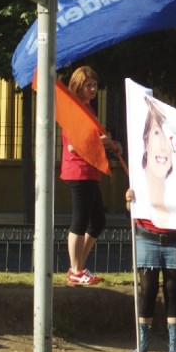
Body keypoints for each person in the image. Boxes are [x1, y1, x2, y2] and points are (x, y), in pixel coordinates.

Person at [60, 67, 120, 287]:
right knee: (80, 220)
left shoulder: (88, 109)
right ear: (78, 86)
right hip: (78, 171)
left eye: (95, 85)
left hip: (90, 171)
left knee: (98, 221)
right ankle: (76, 270)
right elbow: (74, 146)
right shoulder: (75, 109)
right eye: (89, 85)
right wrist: (102, 142)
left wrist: (109, 144)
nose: (93, 89)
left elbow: (92, 140)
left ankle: (78, 267)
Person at [128, 181, 176, 352]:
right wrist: (129, 199)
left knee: (173, 289)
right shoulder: (141, 173)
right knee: (147, 289)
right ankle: (143, 343)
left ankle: (174, 346)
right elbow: (130, 207)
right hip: (147, 235)